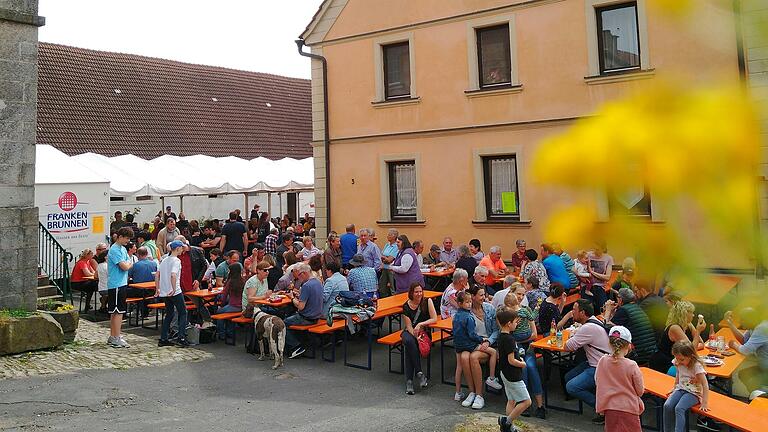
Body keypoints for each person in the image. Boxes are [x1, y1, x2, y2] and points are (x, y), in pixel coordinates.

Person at [562, 299, 612, 423]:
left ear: (583, 313)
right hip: (596, 362)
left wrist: (574, 335)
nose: (572, 312)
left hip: (599, 367)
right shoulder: (594, 320)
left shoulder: (588, 328)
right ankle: (600, 396)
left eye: (574, 309)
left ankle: (604, 410)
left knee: (571, 387)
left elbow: (568, 347)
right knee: (568, 376)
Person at [452, 290, 497, 410]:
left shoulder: (489, 309)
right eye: (481, 295)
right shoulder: (467, 313)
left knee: (473, 357)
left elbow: (496, 330)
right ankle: (471, 392)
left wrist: (488, 341)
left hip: (485, 341)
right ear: (473, 296)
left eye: (484, 295)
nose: (484, 297)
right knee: (464, 357)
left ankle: (479, 395)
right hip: (472, 342)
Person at [506, 284, 545, 417]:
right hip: (515, 348)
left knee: (532, 367)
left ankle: (540, 405)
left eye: (523, 294)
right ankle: (524, 403)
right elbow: (506, 335)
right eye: (519, 294)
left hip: (526, 345)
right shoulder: (507, 312)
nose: (521, 297)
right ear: (512, 294)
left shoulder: (526, 309)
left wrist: (518, 341)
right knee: (524, 369)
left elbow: (534, 334)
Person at [595, 326, 644, 432]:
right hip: (628, 407)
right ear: (629, 346)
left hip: (609, 407)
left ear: (609, 343)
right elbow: (640, 391)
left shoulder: (602, 361)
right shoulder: (632, 365)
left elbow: (597, 380)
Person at [496, 307, 531, 432]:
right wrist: (522, 364)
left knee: (511, 400)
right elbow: (511, 360)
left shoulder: (502, 336)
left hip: (504, 372)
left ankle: (509, 426)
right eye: (516, 322)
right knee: (526, 401)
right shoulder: (509, 339)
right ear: (509, 323)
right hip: (512, 374)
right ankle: (507, 422)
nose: (517, 324)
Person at [663, 341, 710, 432]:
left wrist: (704, 402)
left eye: (682, 359)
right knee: (667, 405)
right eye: (677, 358)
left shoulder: (696, 366)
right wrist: (674, 387)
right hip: (681, 388)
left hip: (693, 393)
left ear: (691, 356)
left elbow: (705, 384)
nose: (679, 361)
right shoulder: (678, 361)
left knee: (679, 408)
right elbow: (678, 374)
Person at [648, 300, 706, 373]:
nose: (693, 315)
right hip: (665, 363)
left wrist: (693, 345)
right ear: (684, 314)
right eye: (691, 312)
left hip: (679, 360)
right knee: (695, 372)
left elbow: (701, 344)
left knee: (697, 369)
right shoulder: (674, 328)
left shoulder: (688, 325)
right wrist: (698, 331)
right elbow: (691, 351)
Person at [401, 282, 438, 395]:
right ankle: (419, 373)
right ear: (411, 293)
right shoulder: (406, 306)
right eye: (416, 292)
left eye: (420, 291)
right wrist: (416, 336)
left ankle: (410, 382)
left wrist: (421, 324)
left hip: (424, 333)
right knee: (409, 341)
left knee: (409, 346)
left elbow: (434, 319)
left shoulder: (427, 301)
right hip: (410, 332)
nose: (419, 294)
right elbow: (408, 327)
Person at [603, 288, 656, 364]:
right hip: (650, 351)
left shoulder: (623, 310)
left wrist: (608, 310)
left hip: (638, 354)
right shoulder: (636, 307)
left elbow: (607, 328)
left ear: (620, 300)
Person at [285, 263, 325, 359]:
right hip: (316, 316)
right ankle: (301, 343)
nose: (298, 278)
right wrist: (300, 296)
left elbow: (300, 307)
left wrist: (292, 298)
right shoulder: (318, 282)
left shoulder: (307, 285)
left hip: (307, 318)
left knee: (283, 323)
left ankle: (296, 346)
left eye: (299, 275)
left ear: (303, 273)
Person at [155, 240, 190, 347]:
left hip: (165, 291)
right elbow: (173, 275)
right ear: (178, 248)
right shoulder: (176, 261)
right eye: (181, 248)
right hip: (175, 291)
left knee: (169, 314)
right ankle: (181, 337)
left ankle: (163, 338)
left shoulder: (164, 260)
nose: (182, 250)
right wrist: (174, 289)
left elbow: (157, 275)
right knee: (183, 312)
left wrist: (158, 289)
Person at [724, 308, 768, 393]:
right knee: (744, 374)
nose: (740, 322)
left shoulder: (762, 329)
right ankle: (758, 396)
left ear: (750, 320)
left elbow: (745, 350)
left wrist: (733, 345)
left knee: (751, 380)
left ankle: (760, 397)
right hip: (763, 367)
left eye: (743, 320)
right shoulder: (754, 326)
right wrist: (730, 324)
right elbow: (744, 340)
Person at [107, 227, 134, 348]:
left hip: (121, 282)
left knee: (116, 311)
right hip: (116, 283)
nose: (128, 241)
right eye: (127, 238)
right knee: (118, 311)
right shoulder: (114, 250)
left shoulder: (122, 249)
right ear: (120, 237)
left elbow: (129, 262)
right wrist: (128, 264)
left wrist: (128, 264)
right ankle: (116, 337)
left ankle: (114, 335)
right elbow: (125, 266)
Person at [216, 263, 245, 339]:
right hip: (241, 306)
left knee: (219, 313)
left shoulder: (230, 282)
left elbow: (224, 295)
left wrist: (221, 305)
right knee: (228, 314)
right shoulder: (243, 281)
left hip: (233, 306)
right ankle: (230, 331)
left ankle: (221, 333)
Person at [588, 241, 614, 312]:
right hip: (588, 286)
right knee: (587, 309)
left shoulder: (608, 258)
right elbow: (575, 267)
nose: (595, 251)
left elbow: (607, 277)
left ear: (603, 249)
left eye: (597, 249)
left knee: (603, 308)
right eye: (594, 249)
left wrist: (592, 272)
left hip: (600, 287)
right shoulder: (588, 255)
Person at [378, 229, 399, 297]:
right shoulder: (387, 245)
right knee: (382, 286)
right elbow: (381, 256)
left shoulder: (396, 246)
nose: (387, 236)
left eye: (389, 235)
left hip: (391, 270)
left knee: (392, 287)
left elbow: (389, 260)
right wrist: (385, 258)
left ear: (394, 236)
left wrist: (385, 258)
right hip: (384, 268)